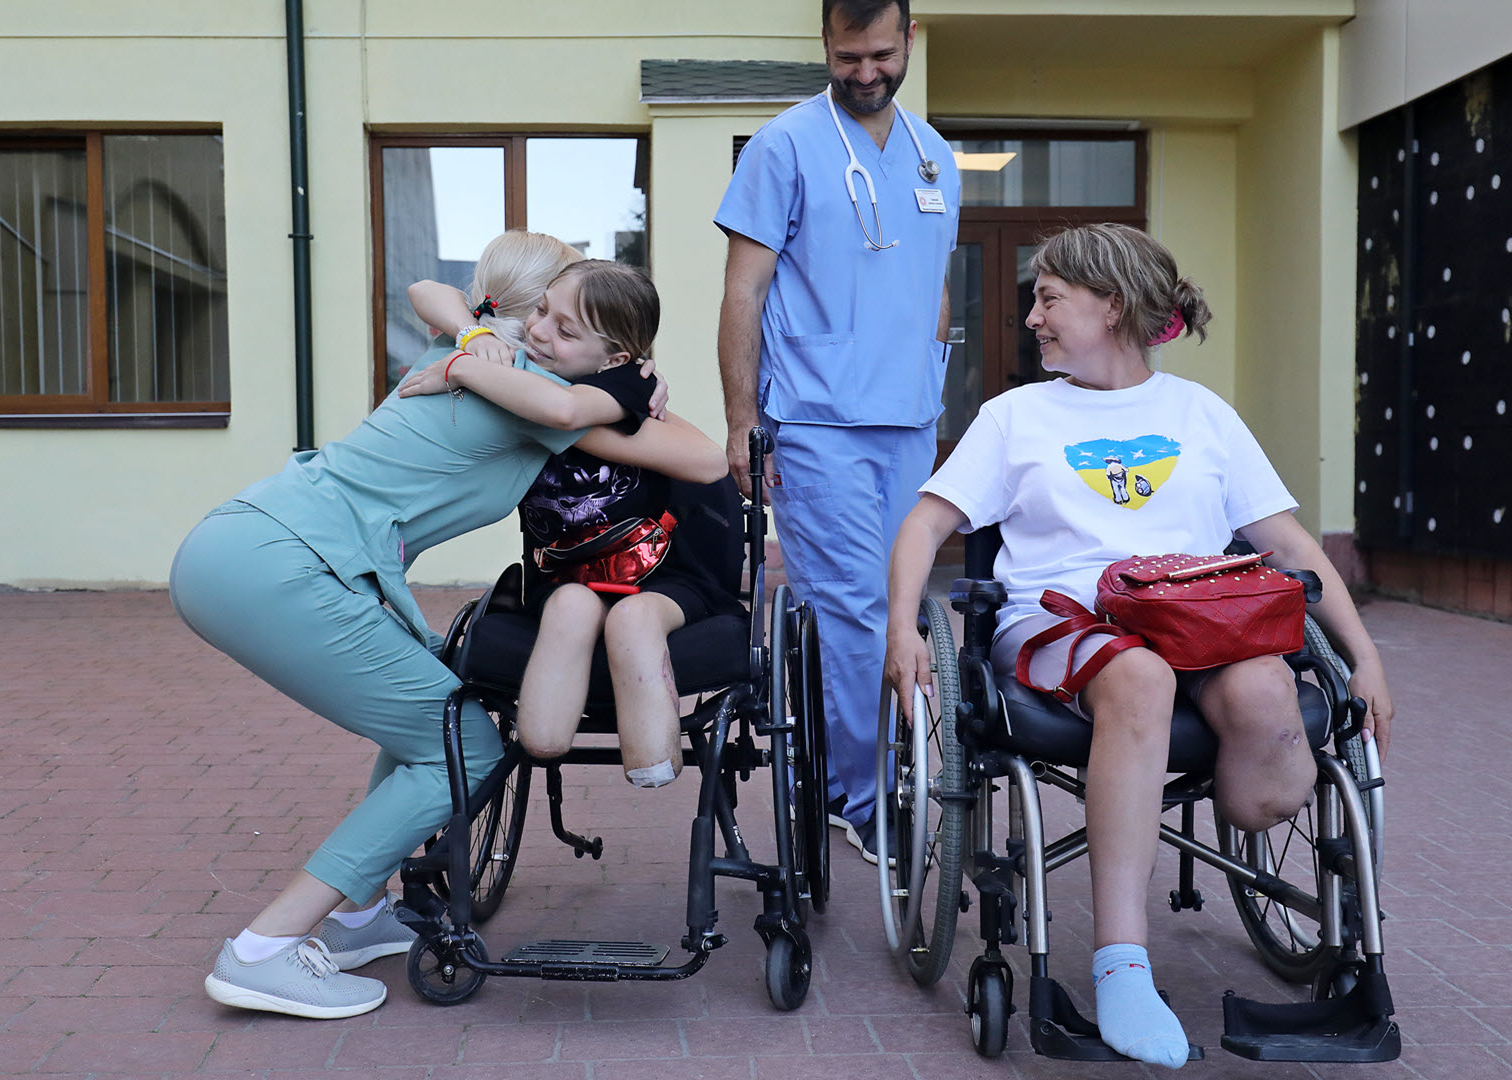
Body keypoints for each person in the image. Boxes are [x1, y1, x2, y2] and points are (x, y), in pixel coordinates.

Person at [883, 223, 1394, 1069]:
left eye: (1048, 299)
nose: (1034, 318)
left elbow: (1293, 546)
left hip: (1200, 617)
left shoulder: (1201, 413)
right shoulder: (1016, 416)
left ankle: (1247, 831)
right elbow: (926, 523)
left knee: (1267, 692)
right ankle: (1122, 967)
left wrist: (1364, 655)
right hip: (1062, 623)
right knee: (1140, 677)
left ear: (1110, 305)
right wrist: (904, 627)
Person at [170, 231, 716, 1020]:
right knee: (464, 743)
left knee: (430, 703)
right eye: (550, 316)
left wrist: (477, 341)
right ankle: (265, 948)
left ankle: (359, 919)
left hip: (256, 540)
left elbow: (432, 291)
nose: (546, 334)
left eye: (569, 326)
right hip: (283, 565)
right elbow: (696, 459)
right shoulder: (528, 386)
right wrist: (632, 381)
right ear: (529, 314)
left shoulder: (485, 351)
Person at [714, 0, 959, 862]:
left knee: (904, 609)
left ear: (910, 41)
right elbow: (743, 291)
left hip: (909, 422)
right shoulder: (785, 145)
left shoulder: (936, 154)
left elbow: (934, 287)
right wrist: (745, 422)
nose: (866, 72)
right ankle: (860, 797)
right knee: (855, 609)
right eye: (848, 55)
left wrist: (933, 376)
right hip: (816, 422)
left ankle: (885, 770)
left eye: (882, 54)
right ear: (823, 44)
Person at [399, 261, 737, 788]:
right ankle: (544, 741)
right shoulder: (518, 356)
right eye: (540, 311)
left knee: (634, 620)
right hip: (561, 574)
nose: (538, 330)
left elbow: (562, 412)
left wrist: (464, 370)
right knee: (569, 606)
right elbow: (424, 288)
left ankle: (653, 761)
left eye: (565, 329)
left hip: (664, 574)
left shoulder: (624, 385)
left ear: (616, 357)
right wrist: (473, 334)